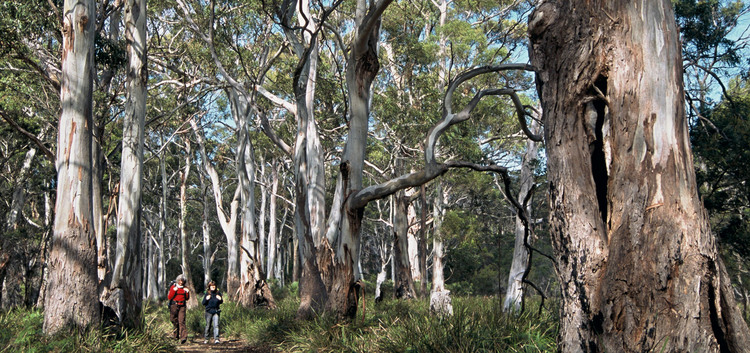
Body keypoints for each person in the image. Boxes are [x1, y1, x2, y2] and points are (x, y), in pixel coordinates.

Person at [168, 275, 190, 344]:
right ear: (178, 280)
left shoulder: (185, 288)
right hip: (174, 305)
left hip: (182, 306)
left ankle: (183, 337)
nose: (181, 282)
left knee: (181, 321)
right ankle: (175, 336)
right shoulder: (173, 287)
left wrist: (187, 292)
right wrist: (174, 291)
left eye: (182, 281)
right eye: (180, 280)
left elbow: (187, 298)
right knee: (173, 320)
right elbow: (169, 297)